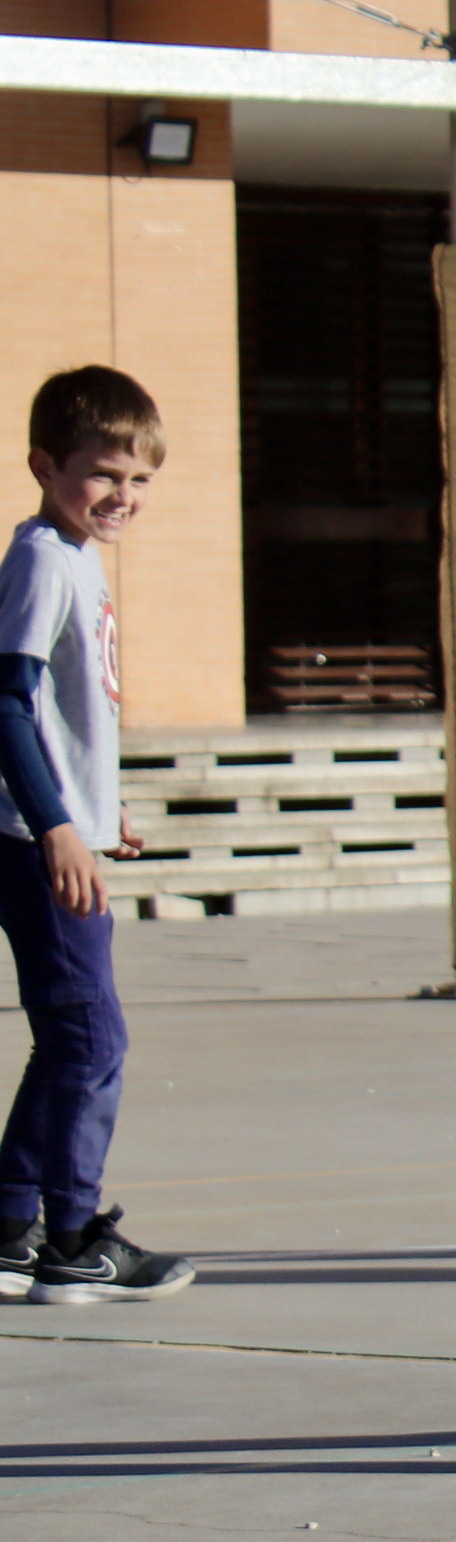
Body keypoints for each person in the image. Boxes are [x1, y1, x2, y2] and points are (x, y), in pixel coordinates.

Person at [0, 368, 190, 1305]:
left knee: (70, 1038)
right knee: (91, 1041)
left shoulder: (76, 554)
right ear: (44, 464)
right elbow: (2, 703)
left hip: (56, 829)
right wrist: (58, 826)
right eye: (104, 474)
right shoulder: (43, 557)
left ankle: (7, 1228)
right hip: (36, 843)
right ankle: (70, 1239)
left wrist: (96, 804)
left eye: (141, 479)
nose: (123, 496)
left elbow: (60, 712)